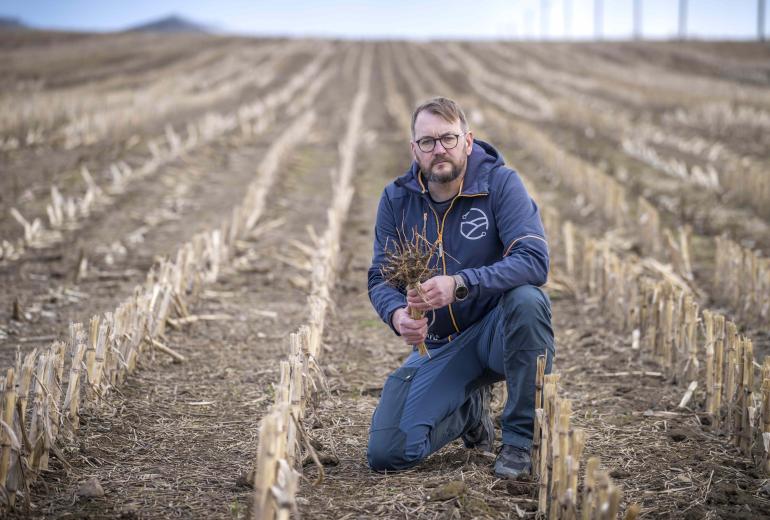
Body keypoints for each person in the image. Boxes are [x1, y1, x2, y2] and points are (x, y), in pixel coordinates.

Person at [366, 97, 554, 479]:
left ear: (468, 141)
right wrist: (397, 314)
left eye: (448, 138)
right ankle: (469, 410)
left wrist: (462, 284)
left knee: (528, 300)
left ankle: (520, 439)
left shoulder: (501, 184)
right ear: (414, 149)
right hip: (442, 343)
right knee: (388, 453)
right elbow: (381, 278)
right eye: (427, 142)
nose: (439, 150)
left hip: (498, 332)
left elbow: (534, 259)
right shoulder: (396, 200)